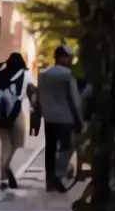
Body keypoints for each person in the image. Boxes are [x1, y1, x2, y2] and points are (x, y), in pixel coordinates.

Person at [34, 45, 85, 193]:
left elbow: (39, 97)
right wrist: (79, 120)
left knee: (50, 149)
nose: (70, 61)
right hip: (65, 118)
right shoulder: (67, 75)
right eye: (69, 58)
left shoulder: (43, 74)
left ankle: (50, 181)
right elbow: (73, 99)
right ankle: (58, 174)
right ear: (62, 58)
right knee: (67, 147)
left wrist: (37, 117)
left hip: (49, 117)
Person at [0, 52, 30, 189]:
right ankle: (8, 166)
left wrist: (1, 65)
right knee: (17, 145)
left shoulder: (1, 74)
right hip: (16, 114)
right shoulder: (26, 74)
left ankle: (3, 180)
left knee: (5, 145)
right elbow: (31, 94)